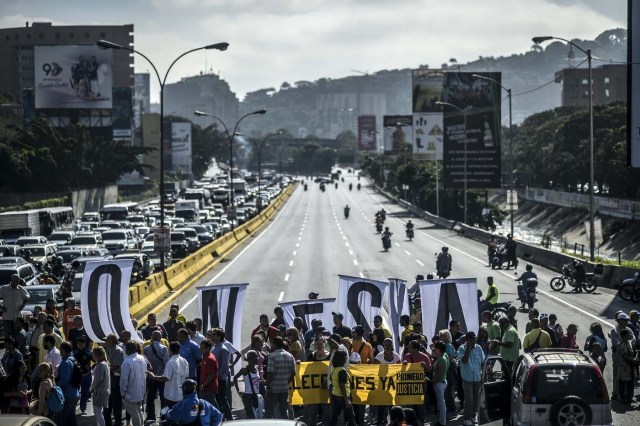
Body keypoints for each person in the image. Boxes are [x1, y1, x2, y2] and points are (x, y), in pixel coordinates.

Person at [146, 341, 189, 408]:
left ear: (169, 350)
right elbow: (186, 376)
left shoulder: (171, 362)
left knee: (170, 414)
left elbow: (165, 378)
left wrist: (153, 376)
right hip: (181, 394)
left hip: (171, 395)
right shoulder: (184, 361)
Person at [457, 331, 485, 426]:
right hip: (467, 378)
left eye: (475, 338)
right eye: (473, 339)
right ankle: (466, 418)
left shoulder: (479, 348)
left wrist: (484, 376)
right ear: (468, 340)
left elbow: (482, 362)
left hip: (477, 377)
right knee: (469, 399)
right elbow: (464, 360)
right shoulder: (461, 349)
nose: (475, 340)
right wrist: (468, 349)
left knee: (476, 398)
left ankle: (473, 416)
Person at [266, 336, 296, 419]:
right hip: (284, 388)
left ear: (275, 344)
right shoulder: (290, 356)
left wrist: (268, 386)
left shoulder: (272, 356)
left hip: (273, 389)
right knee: (284, 412)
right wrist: (286, 382)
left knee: (269, 411)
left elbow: (270, 374)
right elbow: (293, 373)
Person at [143, 331, 169, 421]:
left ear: (151, 337)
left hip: (151, 377)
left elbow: (145, 364)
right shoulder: (164, 348)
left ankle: (151, 416)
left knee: (150, 398)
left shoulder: (146, 349)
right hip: (162, 377)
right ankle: (164, 417)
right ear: (160, 338)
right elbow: (166, 363)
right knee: (163, 398)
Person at [120, 342, 147, 426]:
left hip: (130, 393)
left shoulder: (127, 361)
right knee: (139, 412)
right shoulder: (142, 358)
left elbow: (124, 380)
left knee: (135, 414)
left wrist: (123, 393)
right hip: (141, 391)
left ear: (127, 350)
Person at [328, 350, 356, 426]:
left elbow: (331, 383)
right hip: (343, 397)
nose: (346, 358)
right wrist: (347, 400)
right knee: (351, 418)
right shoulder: (342, 370)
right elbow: (342, 385)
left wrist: (331, 398)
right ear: (341, 358)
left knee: (334, 418)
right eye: (345, 357)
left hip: (335, 395)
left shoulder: (333, 368)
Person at [210, 328, 233, 420]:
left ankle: (229, 418)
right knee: (217, 399)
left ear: (220, 336)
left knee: (222, 399)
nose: (212, 336)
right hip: (213, 378)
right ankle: (220, 418)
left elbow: (225, 367)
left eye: (214, 334)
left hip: (220, 379)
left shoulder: (223, 349)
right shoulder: (214, 347)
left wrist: (216, 376)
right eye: (212, 334)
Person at [234, 349, 264, 419]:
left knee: (259, 416)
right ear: (249, 359)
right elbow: (235, 378)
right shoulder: (244, 370)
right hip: (248, 396)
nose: (257, 358)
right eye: (254, 357)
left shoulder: (256, 368)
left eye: (257, 357)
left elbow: (256, 382)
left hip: (256, 395)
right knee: (251, 417)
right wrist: (238, 390)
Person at [104, 334, 125, 426]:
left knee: (116, 402)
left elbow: (116, 366)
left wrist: (104, 369)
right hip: (110, 380)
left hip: (115, 380)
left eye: (107, 340)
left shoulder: (117, 350)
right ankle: (108, 422)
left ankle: (118, 421)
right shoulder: (110, 349)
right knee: (108, 403)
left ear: (112, 341)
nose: (105, 342)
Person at [0, 274, 30, 339]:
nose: (16, 282)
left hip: (17, 318)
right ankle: (8, 348)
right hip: (7, 317)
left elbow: (27, 298)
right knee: (8, 336)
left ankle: (16, 348)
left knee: (17, 336)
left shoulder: (21, 289)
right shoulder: (4, 288)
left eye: (17, 281)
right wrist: (1, 306)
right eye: (14, 281)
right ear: (11, 280)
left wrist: (22, 306)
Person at [58, 342, 80, 426]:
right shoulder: (73, 359)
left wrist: (55, 387)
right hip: (74, 393)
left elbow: (64, 379)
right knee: (71, 417)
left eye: (60, 349)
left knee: (62, 419)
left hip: (67, 394)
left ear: (63, 350)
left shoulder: (65, 362)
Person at [91, 346, 111, 426]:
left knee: (97, 412)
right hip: (105, 390)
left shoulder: (100, 365)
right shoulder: (105, 363)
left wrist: (92, 388)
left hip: (99, 391)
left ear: (96, 355)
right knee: (99, 412)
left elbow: (98, 380)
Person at [432, 341, 449, 426]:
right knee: (440, 403)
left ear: (439, 349)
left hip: (439, 383)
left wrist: (435, 382)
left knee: (441, 404)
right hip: (441, 382)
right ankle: (441, 420)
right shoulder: (443, 356)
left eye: (435, 348)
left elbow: (440, 373)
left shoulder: (442, 359)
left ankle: (442, 421)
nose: (434, 349)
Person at [74, 337, 93, 415]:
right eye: (79, 344)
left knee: (85, 393)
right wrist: (80, 367)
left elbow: (95, 360)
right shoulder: (74, 353)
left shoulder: (89, 352)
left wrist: (91, 366)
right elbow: (74, 363)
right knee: (75, 393)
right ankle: (73, 408)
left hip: (87, 375)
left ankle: (83, 409)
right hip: (77, 376)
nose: (80, 345)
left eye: (82, 344)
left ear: (85, 344)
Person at [200, 339, 219, 407]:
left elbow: (212, 374)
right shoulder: (205, 357)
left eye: (202, 348)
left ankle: (220, 417)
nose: (200, 349)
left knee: (212, 406)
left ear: (208, 348)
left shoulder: (210, 359)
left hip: (209, 387)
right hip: (205, 387)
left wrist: (203, 385)